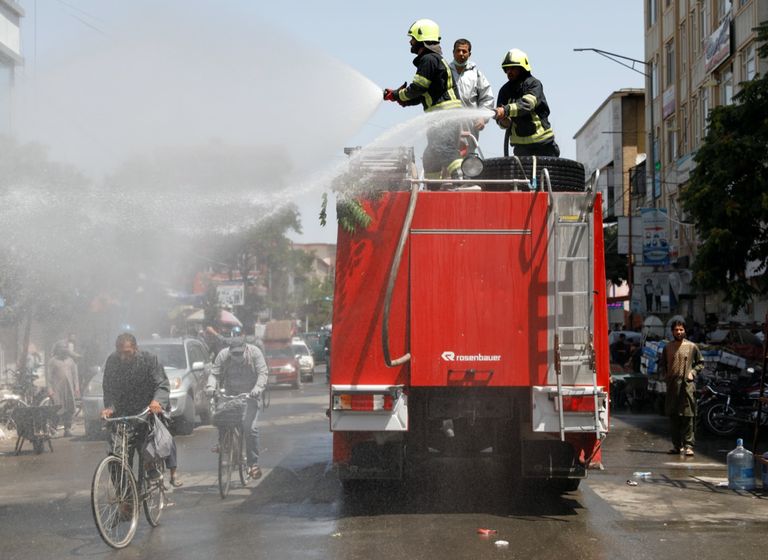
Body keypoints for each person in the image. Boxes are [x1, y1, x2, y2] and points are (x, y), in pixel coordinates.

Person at [383, 18, 464, 183]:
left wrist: (398, 95)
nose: (410, 42)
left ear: (421, 37)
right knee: (430, 155)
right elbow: (422, 94)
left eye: (412, 39)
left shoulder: (428, 59)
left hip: (445, 114)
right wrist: (404, 100)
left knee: (443, 147)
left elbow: (417, 88)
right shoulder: (432, 60)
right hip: (440, 114)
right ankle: (433, 187)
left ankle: (462, 179)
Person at [101, 333, 170, 479]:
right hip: (123, 413)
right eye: (120, 353)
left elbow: (161, 384)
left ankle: (152, 467)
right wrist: (109, 407)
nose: (123, 357)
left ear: (136, 348)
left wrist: (156, 401)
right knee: (116, 457)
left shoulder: (149, 360)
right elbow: (109, 389)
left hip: (146, 411)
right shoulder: (112, 361)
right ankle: (125, 497)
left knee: (149, 448)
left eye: (127, 353)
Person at [206, 337, 268, 479]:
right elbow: (214, 374)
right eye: (235, 354)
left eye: (240, 353)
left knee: (249, 428)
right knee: (221, 416)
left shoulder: (255, 353)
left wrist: (258, 388)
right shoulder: (223, 355)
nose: (237, 356)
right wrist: (210, 387)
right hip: (231, 394)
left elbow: (263, 373)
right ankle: (224, 443)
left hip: (251, 395)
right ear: (230, 351)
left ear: (245, 349)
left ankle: (253, 464)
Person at [493, 48, 560, 157]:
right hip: (521, 148)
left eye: (513, 68)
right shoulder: (504, 91)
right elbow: (503, 123)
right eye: (507, 69)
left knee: (549, 174)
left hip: (543, 144)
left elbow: (527, 105)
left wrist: (505, 110)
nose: (509, 71)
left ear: (522, 68)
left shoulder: (534, 84)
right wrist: (503, 120)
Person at [658, 320, 703, 456]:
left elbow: (700, 363)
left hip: (687, 385)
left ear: (685, 331)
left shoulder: (692, 347)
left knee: (688, 415)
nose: (678, 332)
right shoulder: (668, 347)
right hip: (672, 385)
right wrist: (666, 376)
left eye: (681, 329)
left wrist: (692, 372)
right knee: (673, 416)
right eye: (676, 330)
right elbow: (662, 364)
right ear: (672, 331)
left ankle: (689, 445)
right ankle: (677, 446)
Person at [449, 38, 494, 147]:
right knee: (447, 158)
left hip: (470, 127)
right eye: (458, 50)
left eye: (464, 51)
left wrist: (482, 117)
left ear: (469, 54)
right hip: (448, 126)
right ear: (453, 52)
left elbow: (487, 98)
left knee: (469, 160)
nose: (461, 54)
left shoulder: (476, 75)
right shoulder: (445, 72)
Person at [46, 342, 80, 437]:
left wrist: (76, 387)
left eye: (65, 349)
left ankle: (67, 429)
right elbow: (49, 377)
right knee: (57, 409)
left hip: (69, 389)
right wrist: (50, 389)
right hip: (57, 390)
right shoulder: (52, 361)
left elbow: (75, 375)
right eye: (62, 348)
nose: (64, 350)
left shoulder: (70, 361)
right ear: (57, 350)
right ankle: (53, 429)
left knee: (69, 409)